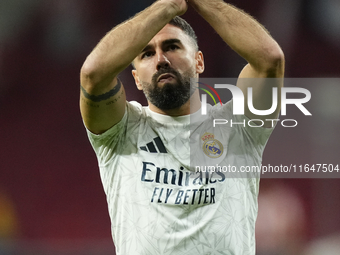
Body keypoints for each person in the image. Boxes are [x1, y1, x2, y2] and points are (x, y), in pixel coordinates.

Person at [80, 0, 284, 254]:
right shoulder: (120, 131)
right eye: (147, 53)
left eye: (172, 46)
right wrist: (167, 5)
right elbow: (93, 74)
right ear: (136, 80)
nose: (161, 59)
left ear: (199, 61)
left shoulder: (239, 124)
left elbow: (270, 59)